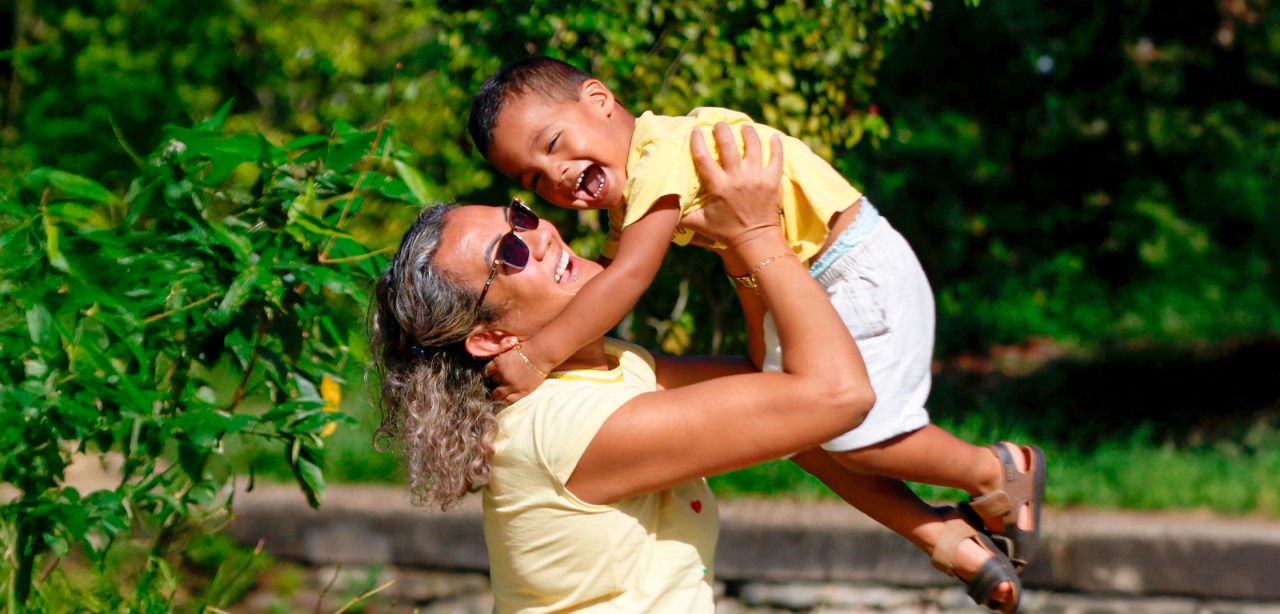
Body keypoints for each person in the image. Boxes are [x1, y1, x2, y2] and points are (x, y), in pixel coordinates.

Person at [466, 56, 1043, 612]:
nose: (555, 178)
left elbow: (626, 279)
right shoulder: (639, 184)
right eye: (532, 179)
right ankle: (944, 537)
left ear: (599, 100)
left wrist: (538, 355)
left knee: (855, 437)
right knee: (800, 434)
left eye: (552, 145)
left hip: (847, 268)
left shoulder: (658, 157)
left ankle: (995, 470)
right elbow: (614, 280)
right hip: (807, 274)